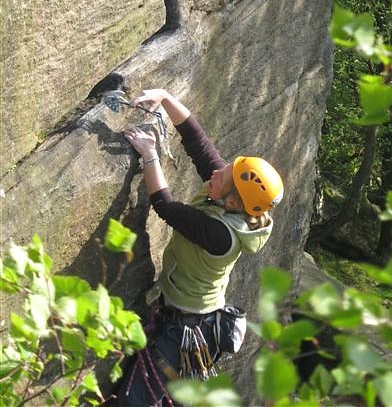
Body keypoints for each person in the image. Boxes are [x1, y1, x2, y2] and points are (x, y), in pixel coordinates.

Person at [112, 89, 283, 406]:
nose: (216, 172)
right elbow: (198, 144)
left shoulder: (221, 234)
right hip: (185, 314)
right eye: (226, 167)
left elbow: (166, 207)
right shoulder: (231, 195)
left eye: (223, 175)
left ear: (232, 202)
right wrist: (164, 97)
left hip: (188, 330)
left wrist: (149, 155)